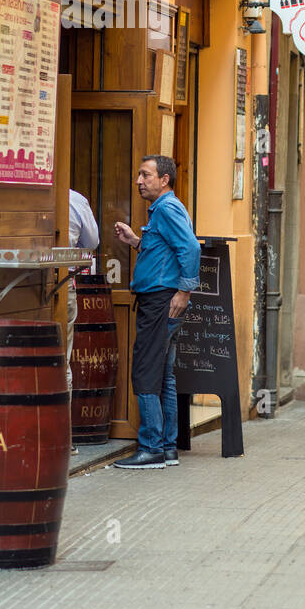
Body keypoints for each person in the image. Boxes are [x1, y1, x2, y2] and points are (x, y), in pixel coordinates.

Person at [112, 155, 200, 469]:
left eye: (145, 175)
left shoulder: (167, 208)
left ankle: (151, 448)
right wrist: (137, 241)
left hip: (161, 301)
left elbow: (190, 248)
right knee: (163, 374)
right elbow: (165, 250)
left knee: (145, 371)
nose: (139, 180)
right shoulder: (165, 209)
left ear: (164, 180)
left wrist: (184, 291)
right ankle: (168, 447)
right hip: (163, 298)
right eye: (139, 174)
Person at [67, 188, 100, 453]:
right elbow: (92, 242)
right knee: (61, 358)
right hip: (62, 283)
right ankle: (62, 437)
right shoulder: (74, 200)